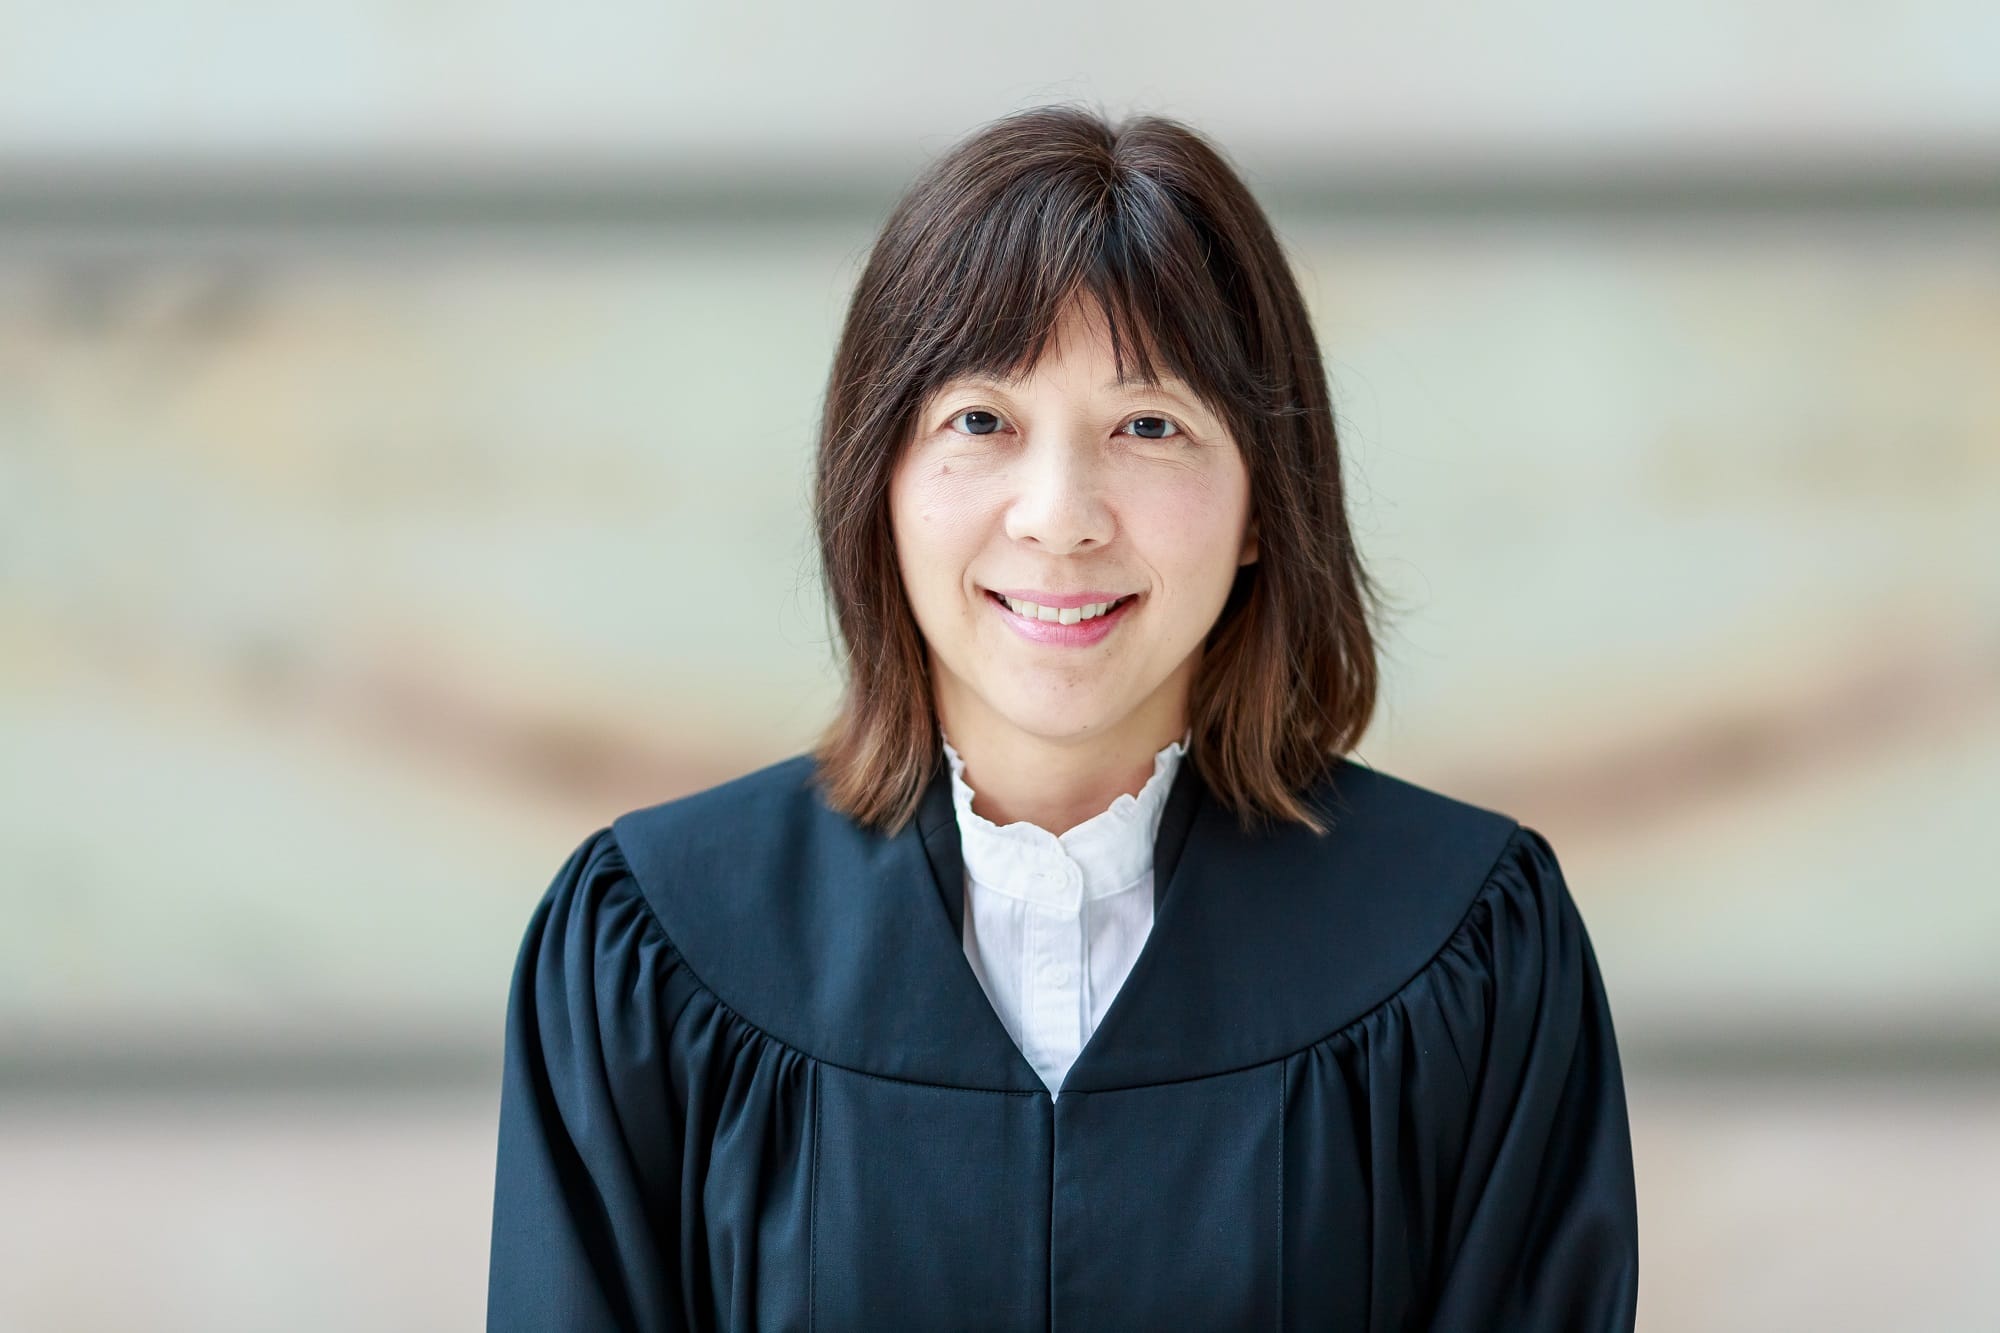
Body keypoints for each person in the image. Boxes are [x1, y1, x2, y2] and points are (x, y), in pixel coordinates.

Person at [486, 103, 1640, 1332]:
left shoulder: (1465, 947)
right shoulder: (653, 947)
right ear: (876, 481)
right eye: (979, 421)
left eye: (1149, 426)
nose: (1059, 515)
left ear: (1262, 502)